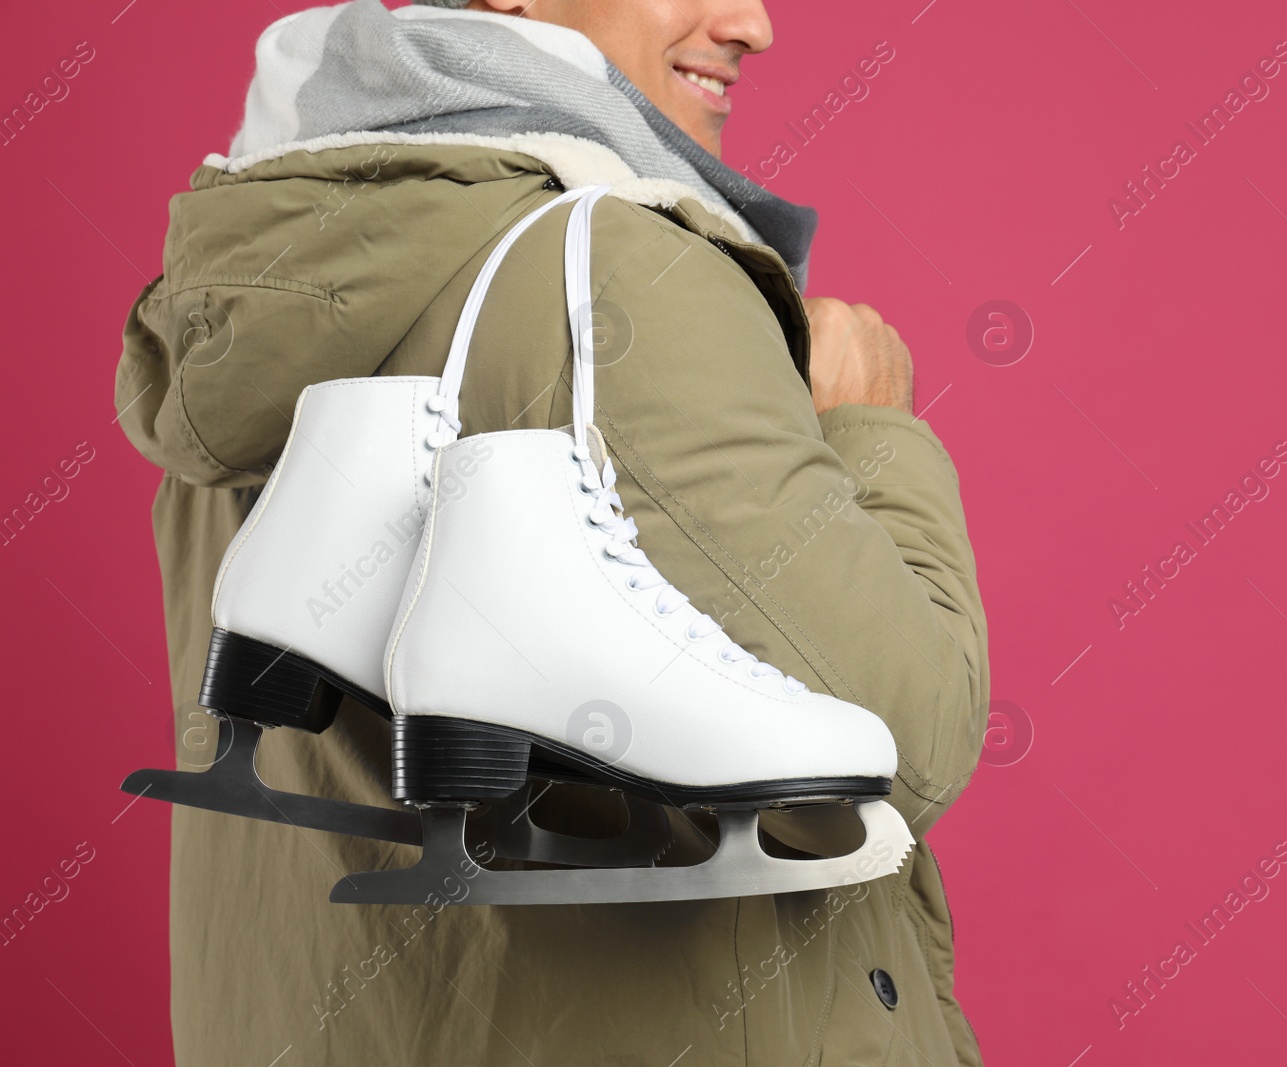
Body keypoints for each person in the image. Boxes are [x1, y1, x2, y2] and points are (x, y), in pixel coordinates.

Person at [113, 0, 989, 1062]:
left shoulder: (262, 278)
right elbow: (895, 756)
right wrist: (872, 429)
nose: (753, 25)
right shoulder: (622, 269)